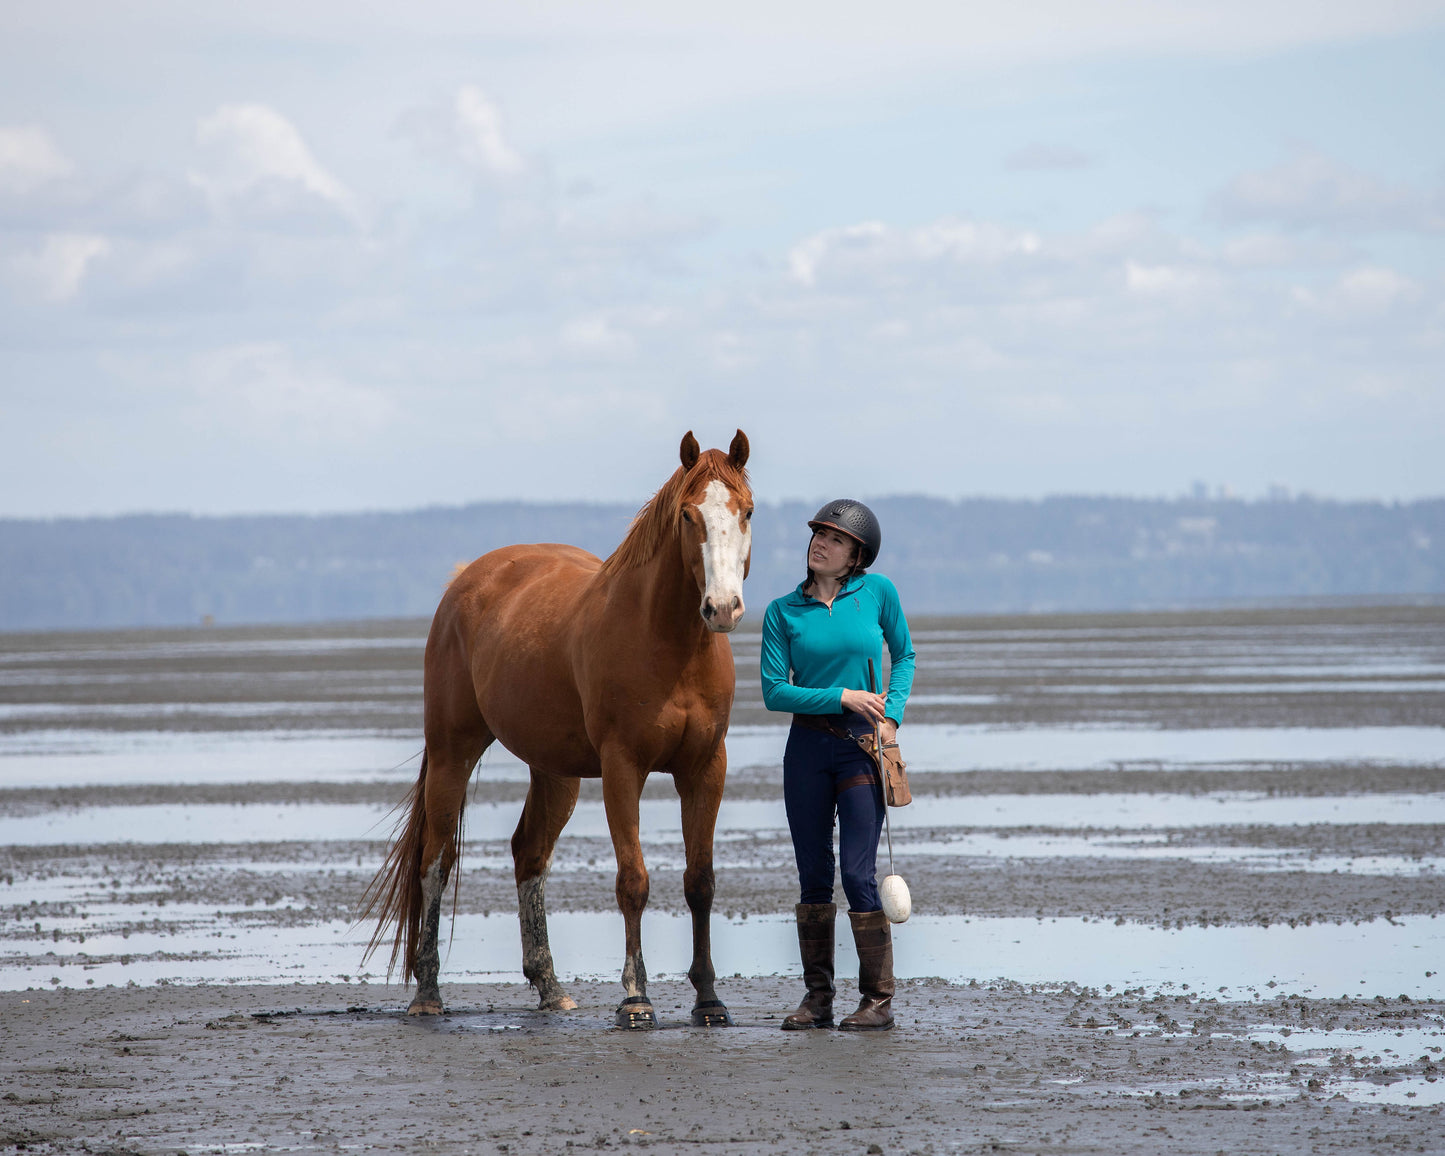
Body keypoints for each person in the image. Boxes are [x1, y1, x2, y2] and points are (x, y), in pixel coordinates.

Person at [760, 498, 916, 1031]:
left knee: (856, 872)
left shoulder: (878, 593)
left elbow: (906, 656)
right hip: (806, 750)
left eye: (835, 538)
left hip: (861, 749)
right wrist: (843, 695)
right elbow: (775, 692)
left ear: (856, 555)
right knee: (812, 877)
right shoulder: (783, 612)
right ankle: (818, 999)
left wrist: (890, 717)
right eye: (818, 534)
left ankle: (877, 1000)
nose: (820, 543)